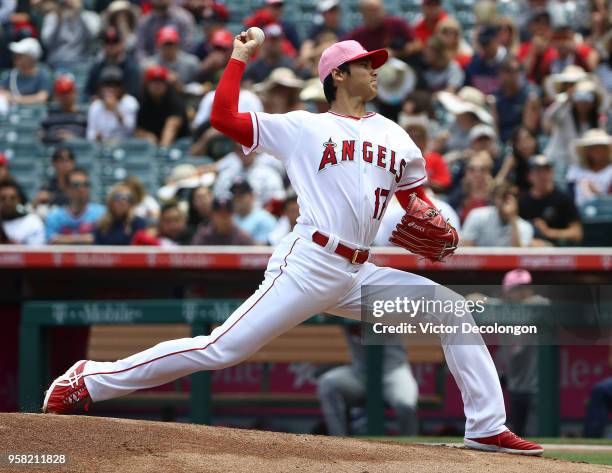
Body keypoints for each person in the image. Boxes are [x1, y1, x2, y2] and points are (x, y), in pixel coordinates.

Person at [43, 35, 543, 456]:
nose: (375, 71)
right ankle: (89, 379)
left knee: (449, 310)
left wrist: (431, 219)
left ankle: (484, 427)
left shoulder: (397, 136)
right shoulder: (303, 126)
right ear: (338, 76)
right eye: (365, 64)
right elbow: (223, 118)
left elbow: (416, 199)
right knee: (222, 348)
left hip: (359, 273)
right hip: (309, 261)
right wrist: (239, 59)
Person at [318, 327, 418, 436]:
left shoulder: (387, 310)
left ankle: (411, 448)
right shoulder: (345, 310)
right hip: (360, 374)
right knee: (327, 383)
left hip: (394, 372)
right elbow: (324, 314)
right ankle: (339, 443)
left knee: (405, 404)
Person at [519, 154, 583, 246]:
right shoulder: (522, 201)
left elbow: (577, 233)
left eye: (546, 171)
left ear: (552, 173)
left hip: (558, 250)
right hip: (527, 247)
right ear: (529, 176)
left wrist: (549, 232)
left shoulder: (563, 198)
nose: (542, 176)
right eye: (537, 172)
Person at [462, 182, 534, 247]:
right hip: (480, 261)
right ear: (494, 198)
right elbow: (466, 249)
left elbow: (519, 255)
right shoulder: (477, 216)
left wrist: (512, 218)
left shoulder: (525, 227)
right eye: (503, 196)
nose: (506, 201)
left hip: (508, 261)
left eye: (510, 197)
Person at [45, 168, 105, 244]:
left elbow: (105, 240)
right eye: (76, 185)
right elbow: (51, 241)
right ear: (66, 189)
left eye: (86, 184)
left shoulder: (101, 213)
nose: (81, 189)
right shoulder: (54, 216)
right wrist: (88, 238)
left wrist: (63, 239)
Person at [343, 0, 419, 60]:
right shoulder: (358, 34)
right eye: (370, 11)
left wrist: (396, 52)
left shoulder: (396, 24)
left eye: (376, 10)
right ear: (363, 13)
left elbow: (417, 44)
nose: (374, 14)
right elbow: (341, 45)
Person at [135, 65, 189, 147]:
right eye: (154, 82)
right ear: (147, 84)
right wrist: (147, 136)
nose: (157, 85)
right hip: (153, 146)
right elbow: (138, 129)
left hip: (177, 144)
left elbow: (172, 125)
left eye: (161, 82)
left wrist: (163, 148)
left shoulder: (174, 99)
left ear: (166, 84)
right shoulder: (144, 100)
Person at [40, 0, 100, 69]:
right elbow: (47, 43)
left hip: (82, 63)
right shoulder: (52, 18)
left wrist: (79, 13)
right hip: (57, 64)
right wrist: (58, 20)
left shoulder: (90, 17)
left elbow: (92, 38)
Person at [399, 114, 451, 193]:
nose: (414, 141)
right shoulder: (396, 159)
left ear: (425, 141)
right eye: (410, 137)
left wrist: (424, 183)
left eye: (418, 138)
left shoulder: (435, 158)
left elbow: (443, 185)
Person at [85, 26, 141, 99]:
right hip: (102, 106)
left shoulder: (131, 68)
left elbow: (134, 95)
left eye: (115, 41)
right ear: (103, 45)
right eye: (107, 41)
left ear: (122, 43)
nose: (111, 45)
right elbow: (87, 94)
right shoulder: (96, 67)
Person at [494, 56, 541, 143]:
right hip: (502, 141)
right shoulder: (496, 98)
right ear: (501, 73)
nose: (514, 75)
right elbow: (494, 129)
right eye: (509, 71)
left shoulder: (530, 95)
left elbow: (529, 129)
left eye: (517, 70)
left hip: (524, 142)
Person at [87, 66, 139, 143]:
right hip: (101, 148)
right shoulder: (95, 106)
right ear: (100, 87)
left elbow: (131, 131)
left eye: (116, 84)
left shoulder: (130, 102)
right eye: (107, 85)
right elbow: (90, 135)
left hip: (125, 147)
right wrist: (96, 137)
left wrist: (115, 109)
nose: (111, 88)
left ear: (122, 87)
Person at [0, 38, 51, 107]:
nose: (16, 58)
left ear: (31, 58)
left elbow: (42, 98)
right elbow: (2, 93)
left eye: (20, 55)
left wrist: (14, 99)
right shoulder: (10, 75)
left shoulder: (43, 74)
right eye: (16, 55)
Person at [567, 129, 612, 206]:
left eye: (601, 147)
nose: (598, 150)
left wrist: (596, 193)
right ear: (587, 150)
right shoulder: (575, 170)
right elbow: (570, 195)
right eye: (593, 147)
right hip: (580, 212)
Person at [41, 75, 88, 145]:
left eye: (68, 92)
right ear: (56, 96)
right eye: (62, 93)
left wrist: (73, 139)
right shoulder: (50, 116)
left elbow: (90, 140)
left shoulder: (84, 116)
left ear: (75, 93)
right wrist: (57, 137)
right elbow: (42, 137)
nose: (65, 97)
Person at [190, 196, 254, 245]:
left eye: (227, 214)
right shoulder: (203, 236)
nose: (223, 218)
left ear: (233, 214)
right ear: (213, 215)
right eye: (220, 214)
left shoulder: (243, 238)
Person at [230, 179, 277, 245]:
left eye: (241, 195)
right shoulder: (229, 218)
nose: (237, 199)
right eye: (235, 195)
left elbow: (264, 248)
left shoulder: (265, 219)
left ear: (251, 196)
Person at [0, 180, 45, 245]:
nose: (8, 202)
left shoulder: (32, 221)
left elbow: (38, 250)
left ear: (19, 200)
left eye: (12, 198)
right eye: (3, 198)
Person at [495, 126, 540, 191]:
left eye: (527, 138)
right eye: (520, 141)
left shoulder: (541, 159)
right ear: (515, 145)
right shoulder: (512, 159)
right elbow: (499, 180)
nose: (524, 144)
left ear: (534, 140)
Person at [464, 25, 505, 95]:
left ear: (496, 40)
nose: (484, 47)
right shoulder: (475, 62)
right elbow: (467, 86)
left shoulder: (508, 61)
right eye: (482, 44)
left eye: (487, 44)